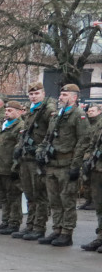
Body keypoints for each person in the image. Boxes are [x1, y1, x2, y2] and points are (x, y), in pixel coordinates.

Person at [36, 84, 90, 247]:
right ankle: (57, 229)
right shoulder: (56, 115)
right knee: (54, 200)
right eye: (61, 94)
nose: (60, 97)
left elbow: (83, 141)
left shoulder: (78, 115)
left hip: (67, 164)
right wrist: (41, 151)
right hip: (52, 164)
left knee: (67, 201)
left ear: (74, 98)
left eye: (65, 95)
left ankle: (67, 233)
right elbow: (48, 137)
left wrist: (76, 165)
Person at [15, 82, 55, 240]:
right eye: (31, 94)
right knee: (29, 194)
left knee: (40, 195)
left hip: (37, 158)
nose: (33, 96)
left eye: (36, 93)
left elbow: (50, 133)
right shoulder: (31, 111)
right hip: (26, 157)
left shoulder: (47, 110)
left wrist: (40, 150)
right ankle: (30, 225)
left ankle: (39, 227)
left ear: (43, 94)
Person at [0, 101, 26, 235]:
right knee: (3, 197)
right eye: (6, 110)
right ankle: (5, 221)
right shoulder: (3, 125)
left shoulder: (20, 126)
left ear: (19, 111)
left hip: (10, 167)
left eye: (10, 110)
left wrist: (16, 167)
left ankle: (14, 222)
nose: (7, 113)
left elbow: (18, 148)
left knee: (13, 197)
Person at [80, 109, 102, 252]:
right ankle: (100, 236)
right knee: (100, 205)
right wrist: (87, 160)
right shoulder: (99, 123)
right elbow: (92, 143)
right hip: (98, 169)